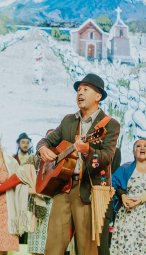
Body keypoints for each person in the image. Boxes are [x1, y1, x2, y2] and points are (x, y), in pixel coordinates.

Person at [37, 73, 120, 255]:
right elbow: (46, 141)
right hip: (63, 188)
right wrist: (42, 148)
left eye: (85, 89)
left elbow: (107, 157)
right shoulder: (69, 120)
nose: (79, 93)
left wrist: (87, 150)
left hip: (89, 191)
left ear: (98, 96)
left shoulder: (110, 124)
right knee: (52, 248)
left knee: (87, 249)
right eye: (78, 90)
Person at [110, 138, 146, 254]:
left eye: (145, 146)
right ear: (133, 151)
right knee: (126, 248)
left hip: (143, 216)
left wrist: (140, 200)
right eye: (138, 146)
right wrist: (123, 196)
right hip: (127, 217)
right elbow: (113, 184)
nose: (142, 148)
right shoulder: (125, 168)